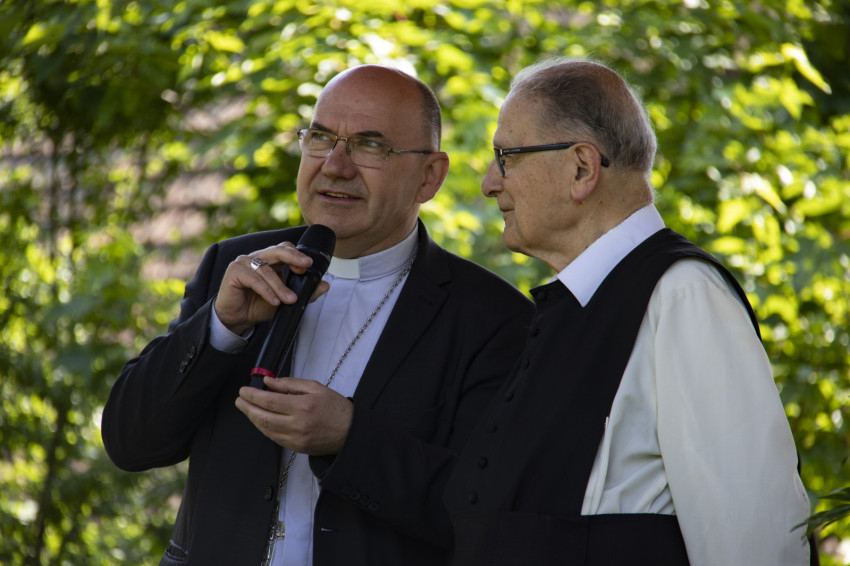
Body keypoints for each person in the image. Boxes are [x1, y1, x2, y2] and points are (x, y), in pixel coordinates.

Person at [102, 64, 533, 566]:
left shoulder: (493, 318)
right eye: (321, 137)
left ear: (429, 176)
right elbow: (131, 444)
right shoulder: (234, 266)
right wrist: (221, 327)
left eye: (370, 145)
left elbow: (485, 512)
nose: (335, 165)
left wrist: (350, 439)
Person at [443, 57, 814, 566]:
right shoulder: (575, 305)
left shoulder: (682, 295)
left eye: (506, 157)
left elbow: (755, 540)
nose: (490, 183)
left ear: (581, 168)